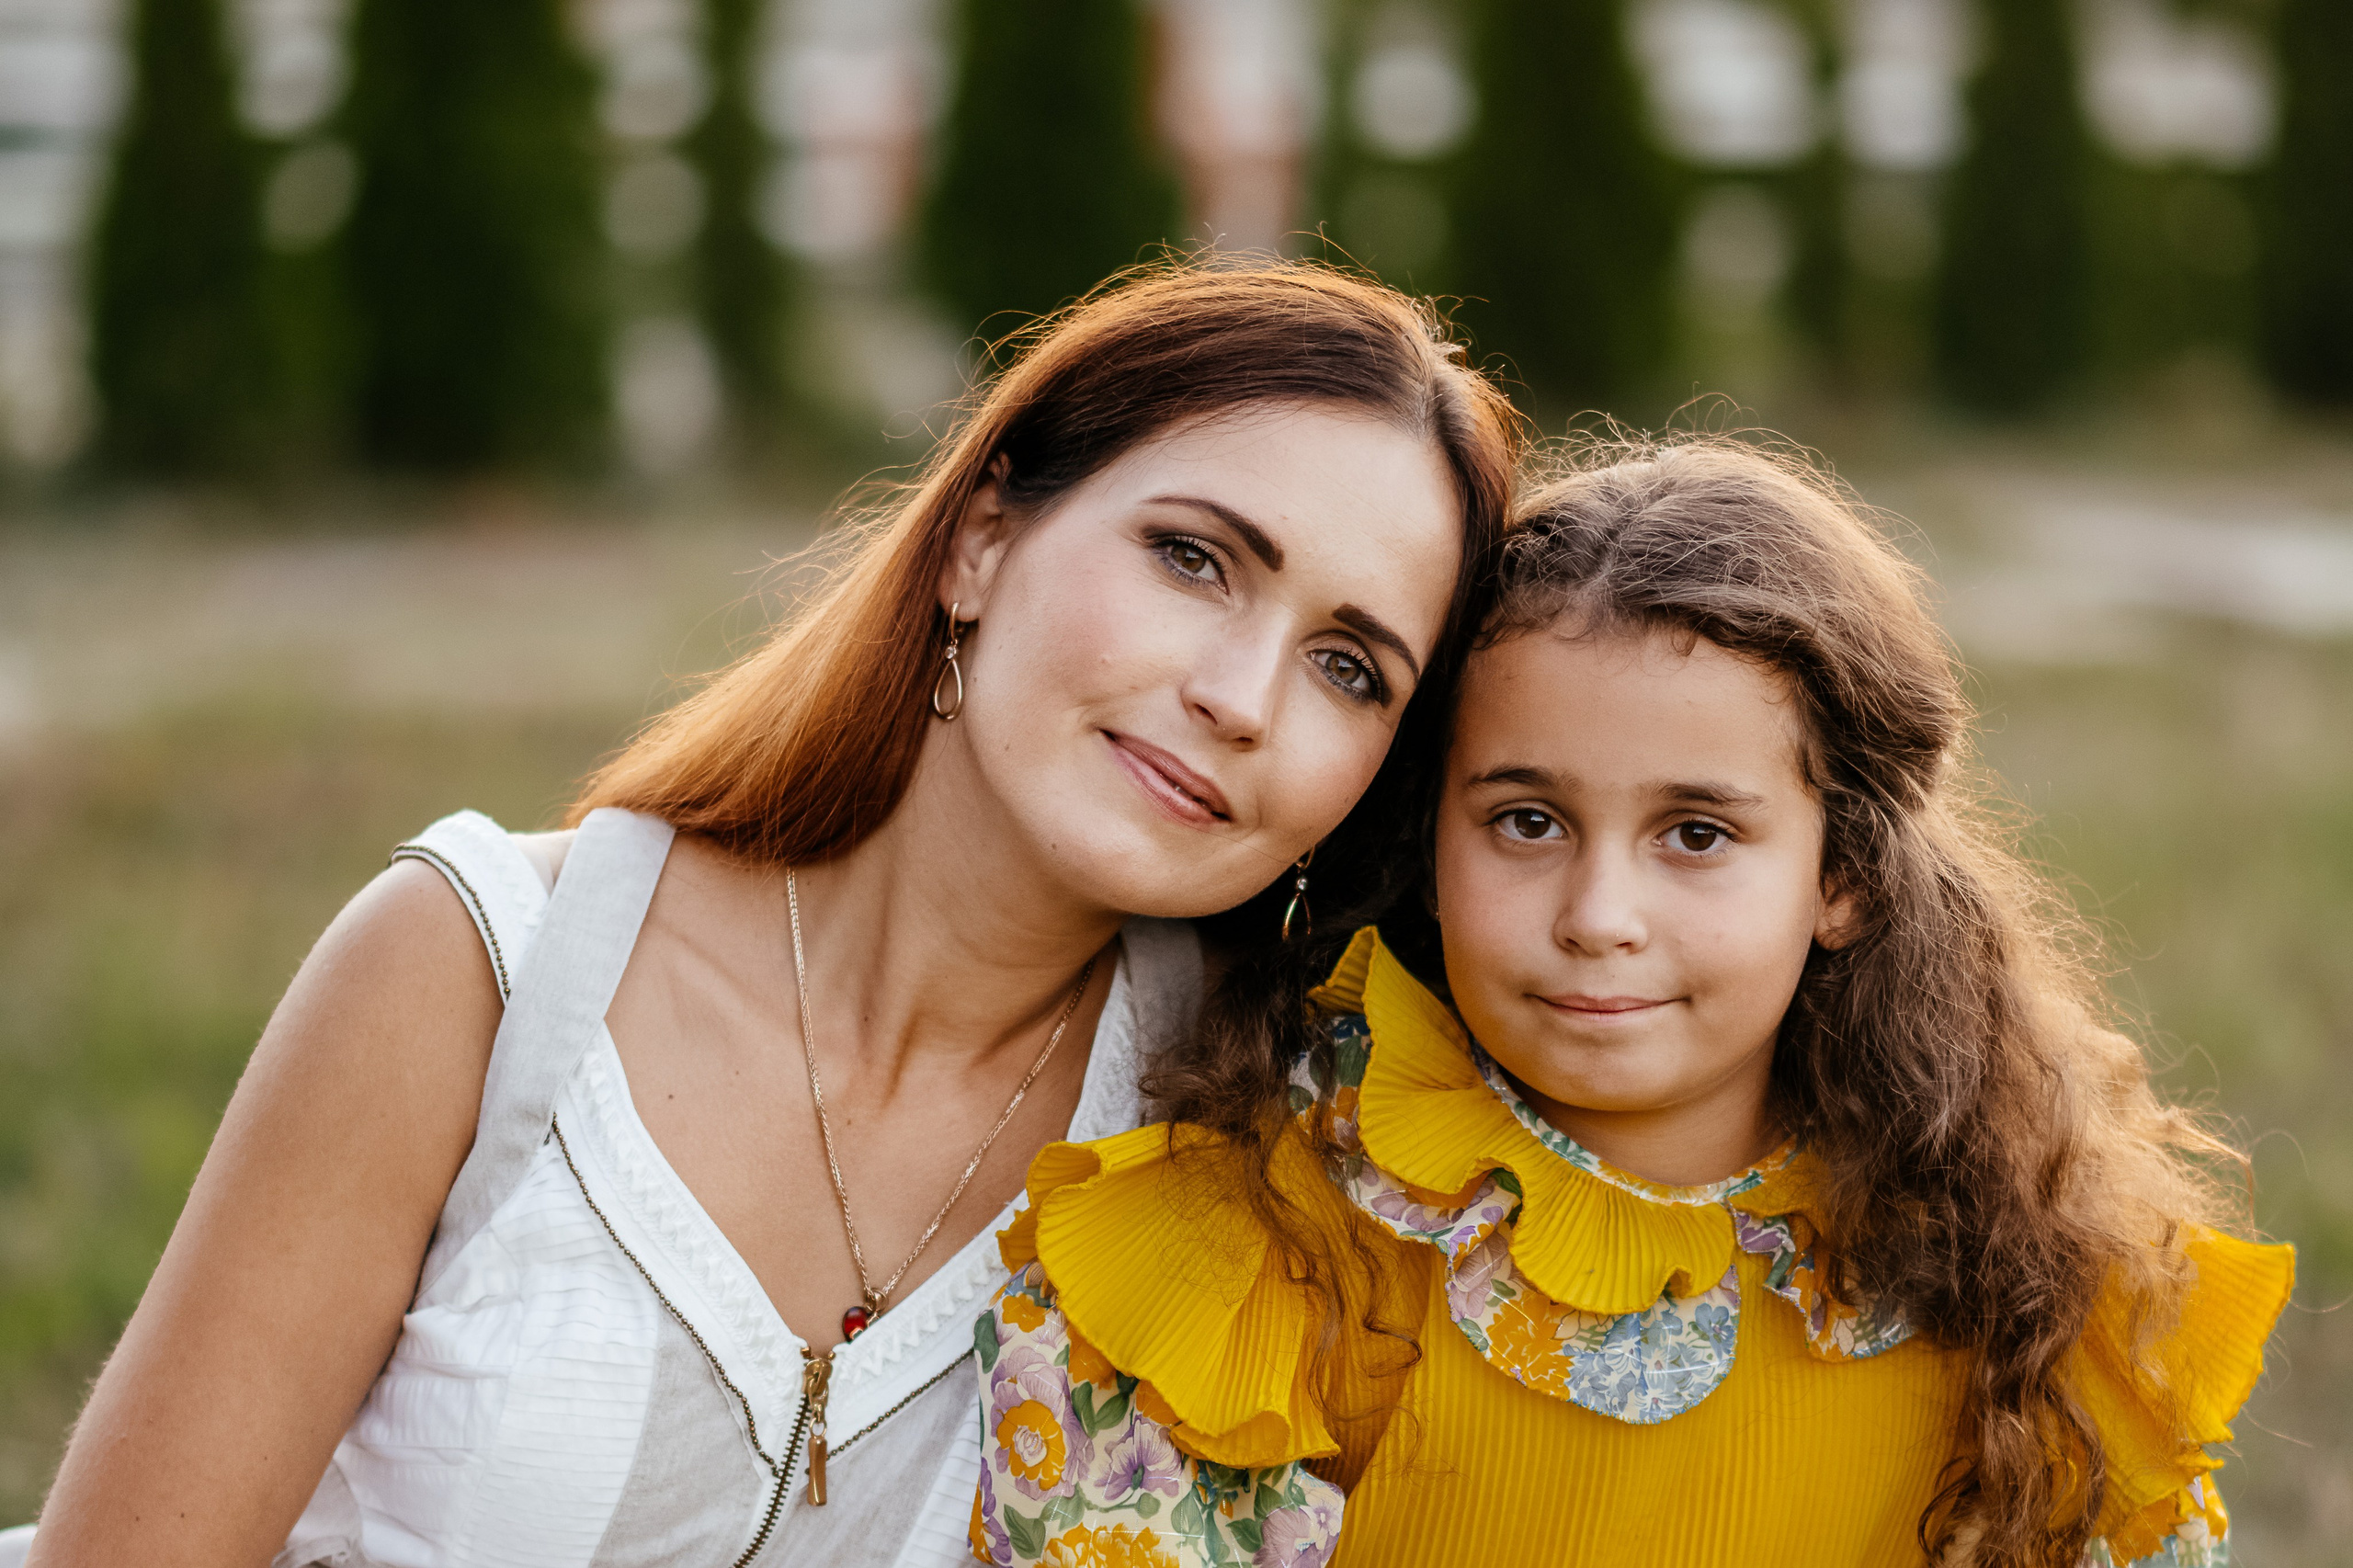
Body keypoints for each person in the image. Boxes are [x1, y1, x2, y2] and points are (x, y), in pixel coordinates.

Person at [19, 263, 1520, 1568]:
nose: (1239, 697)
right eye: (1194, 558)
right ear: (978, 540)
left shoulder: (1272, 1153)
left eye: (1351, 668)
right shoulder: (476, 972)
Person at [969, 437, 2295, 1568]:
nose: (1599, 912)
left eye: (1698, 834)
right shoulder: (1269, 1245)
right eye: (1528, 819)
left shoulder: (2019, 1287)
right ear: (1428, 838)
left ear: (1841, 873)